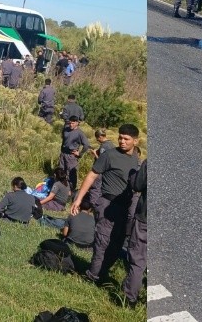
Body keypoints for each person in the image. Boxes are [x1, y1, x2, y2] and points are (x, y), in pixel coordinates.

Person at [70, 124, 140, 285]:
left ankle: (101, 272)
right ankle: (92, 277)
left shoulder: (137, 160)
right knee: (103, 241)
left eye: (126, 139)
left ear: (135, 141)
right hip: (108, 204)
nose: (122, 141)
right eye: (120, 138)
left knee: (117, 245)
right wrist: (78, 199)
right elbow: (91, 176)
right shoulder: (109, 155)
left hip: (126, 208)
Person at [123, 160, 147, 309]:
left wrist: (134, 176)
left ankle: (130, 298)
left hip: (145, 217)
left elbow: (137, 186)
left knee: (137, 260)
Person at [60, 116, 91, 191]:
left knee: (71, 173)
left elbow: (86, 145)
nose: (71, 125)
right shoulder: (66, 129)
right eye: (70, 123)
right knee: (61, 170)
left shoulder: (80, 133)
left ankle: (71, 190)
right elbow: (64, 140)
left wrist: (80, 154)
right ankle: (61, 187)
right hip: (63, 153)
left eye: (73, 123)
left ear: (77, 123)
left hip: (71, 156)